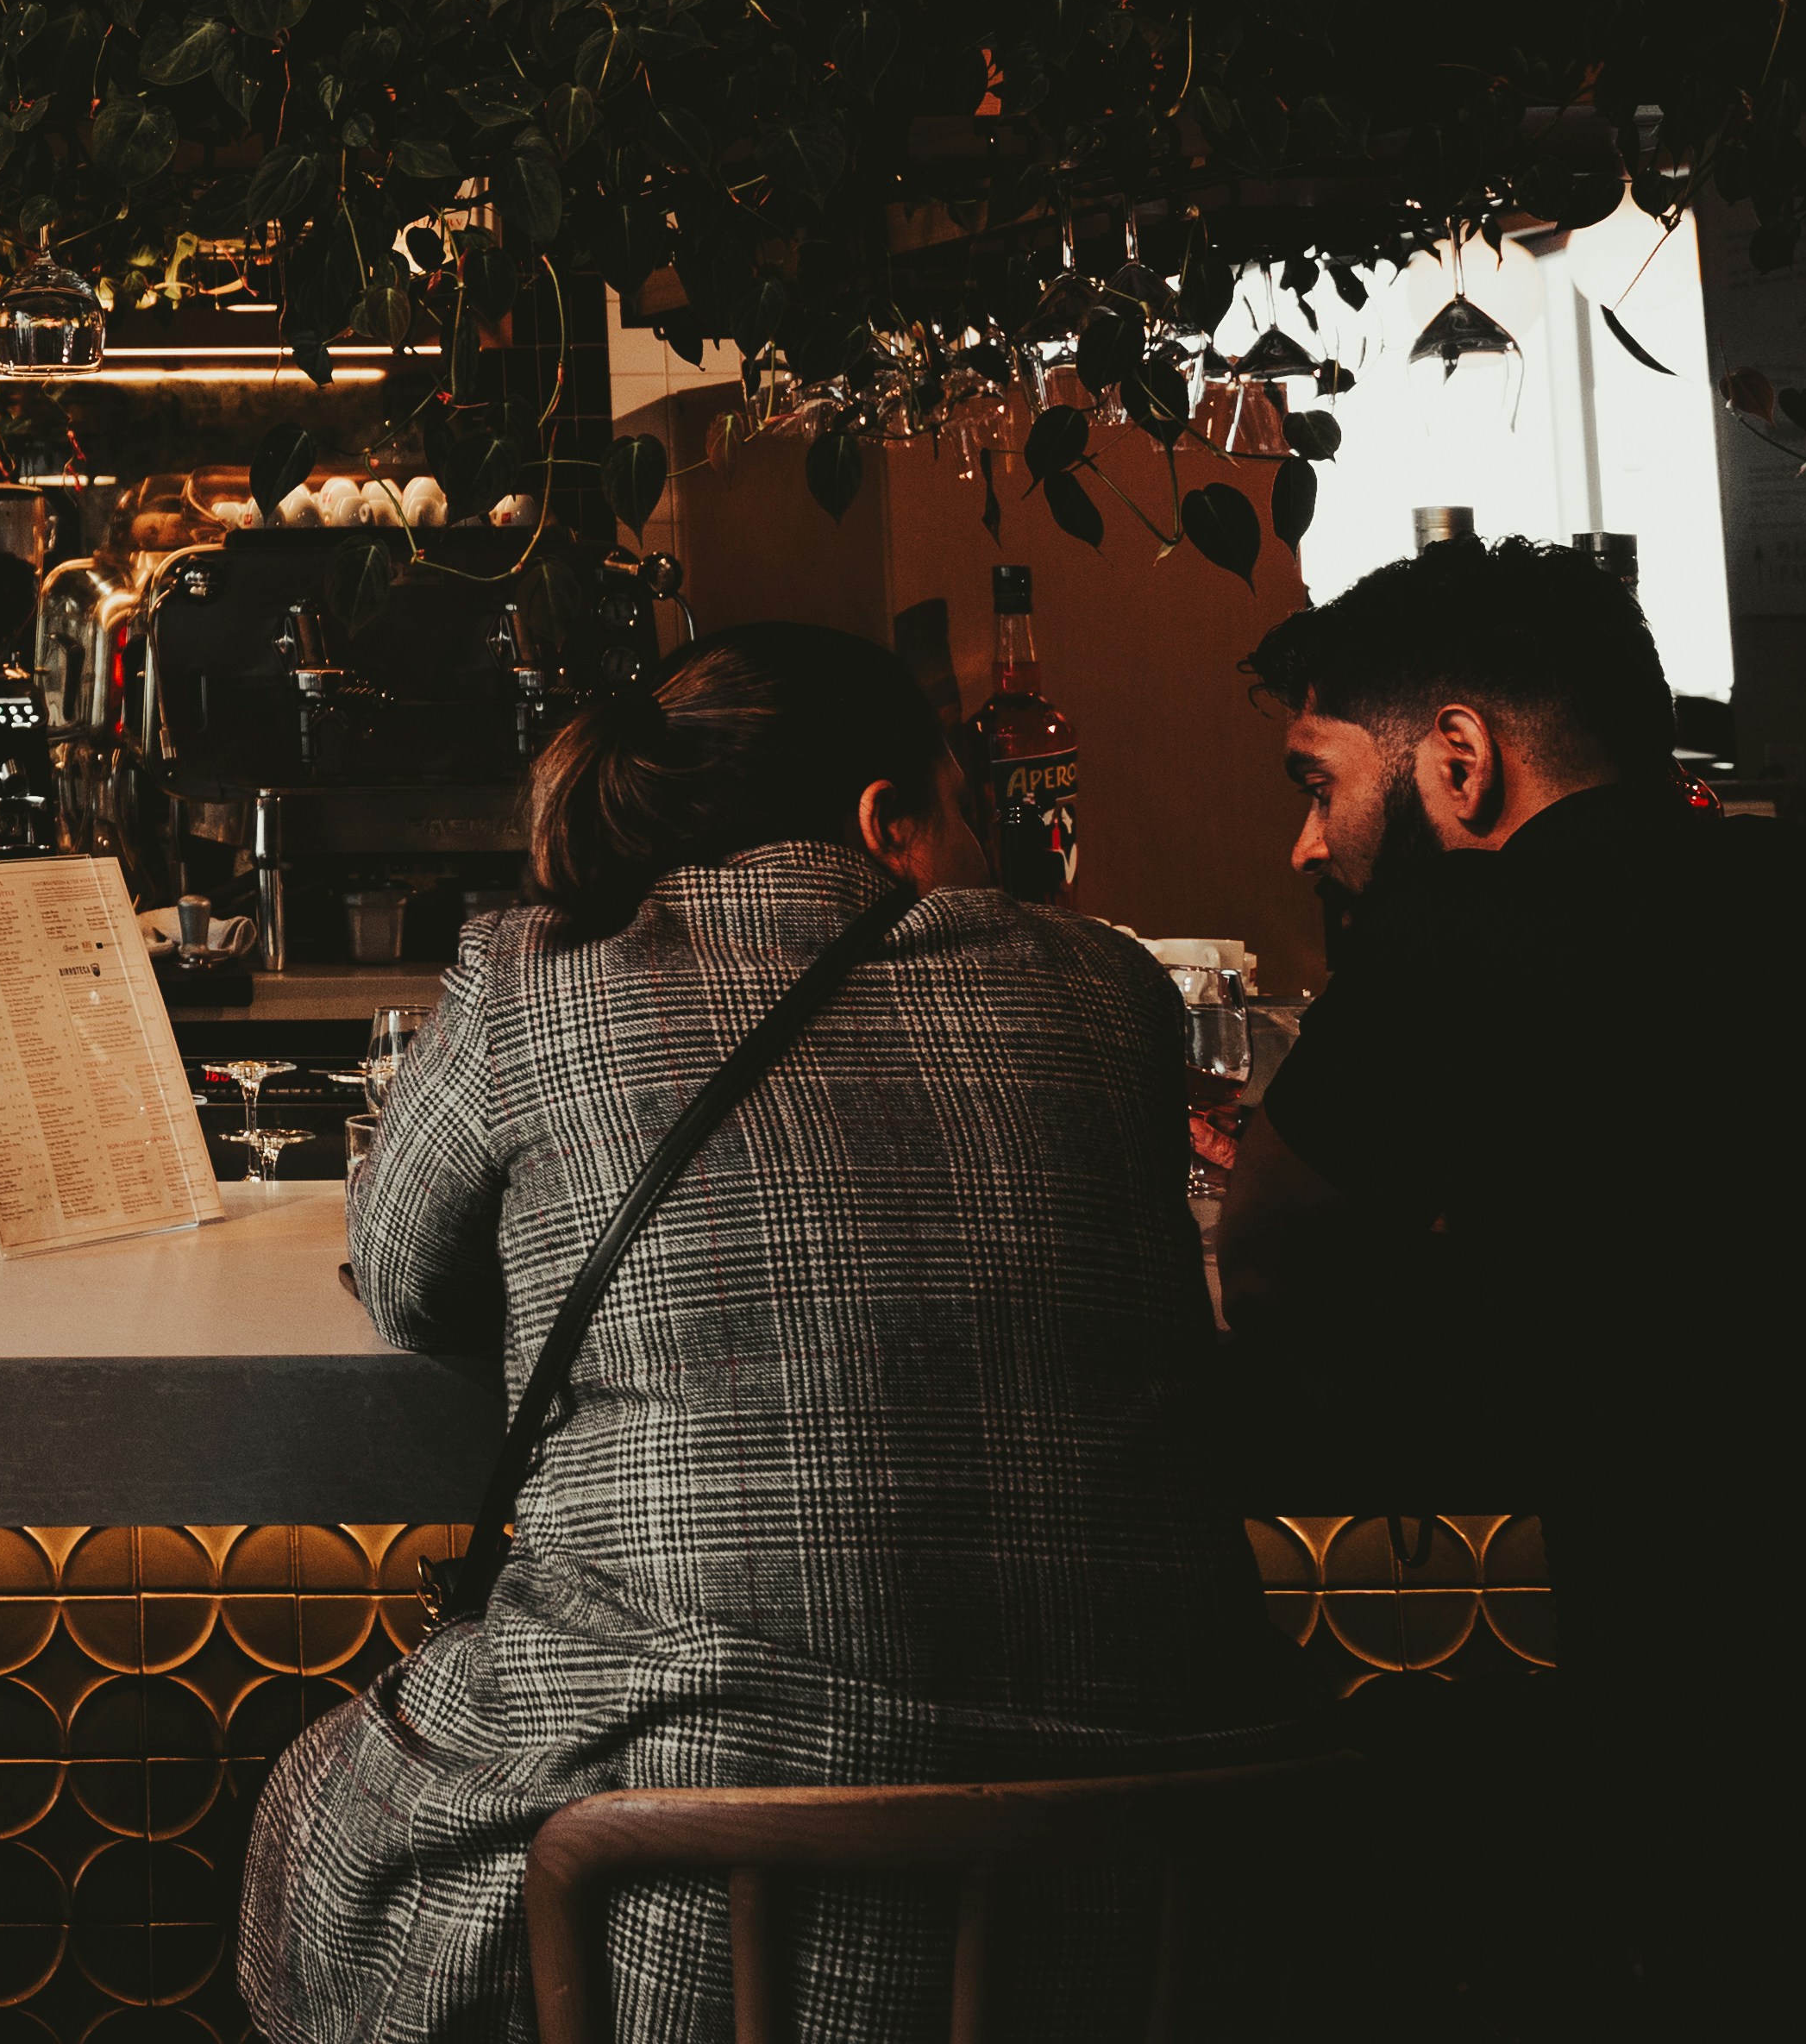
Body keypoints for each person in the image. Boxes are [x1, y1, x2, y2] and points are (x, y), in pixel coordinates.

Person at [246, 624, 1295, 2044]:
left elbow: (407, 1275)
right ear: (888, 820)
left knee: (300, 1789)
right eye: (967, 804)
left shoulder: (534, 974)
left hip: (677, 1912)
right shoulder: (1097, 987)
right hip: (1142, 1900)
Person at [1225, 540, 1806, 2032]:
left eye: (1313, 779)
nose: (1306, 842)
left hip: (1588, 1639)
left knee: (1215, 1592)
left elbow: (1262, 1252)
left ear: (1455, 757)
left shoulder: (1452, 932)